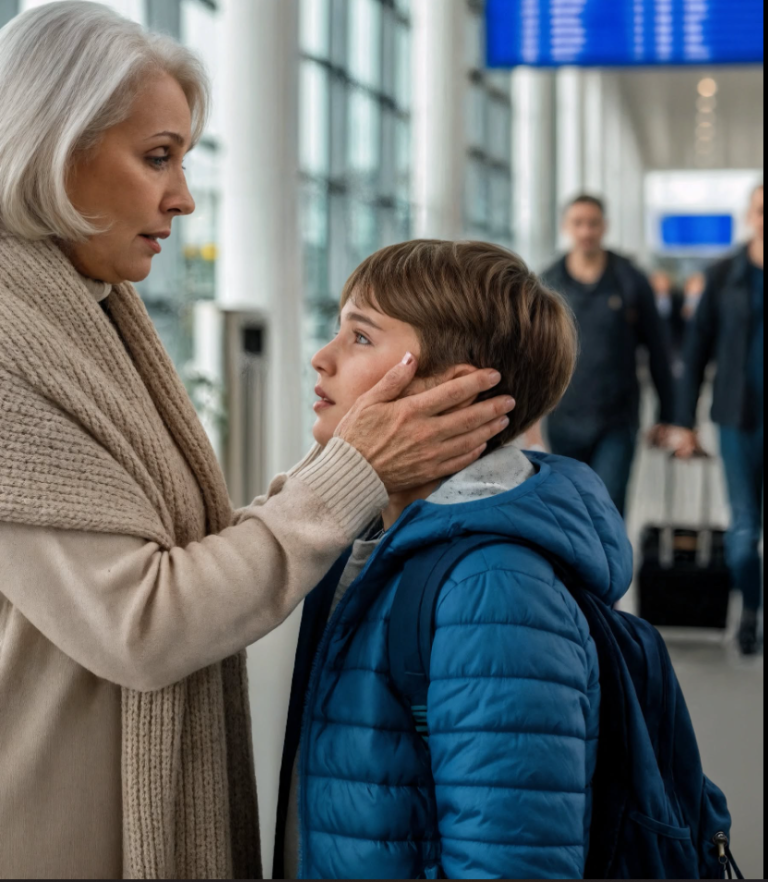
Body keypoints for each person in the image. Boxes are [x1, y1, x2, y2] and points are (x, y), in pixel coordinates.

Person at [0, 5, 515, 878]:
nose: (184, 195)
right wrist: (349, 476)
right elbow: (145, 621)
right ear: (55, 144)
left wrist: (344, 473)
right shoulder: (17, 346)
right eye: (157, 155)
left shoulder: (91, 317)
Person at [274, 241, 634, 880]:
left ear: (456, 385)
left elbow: (513, 864)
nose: (321, 358)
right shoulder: (370, 535)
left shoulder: (495, 587)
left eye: (360, 338)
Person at [672, 184, 765, 656]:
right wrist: (684, 422)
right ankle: (750, 610)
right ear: (750, 215)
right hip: (739, 418)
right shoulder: (725, 274)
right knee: (745, 526)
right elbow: (696, 350)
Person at [542, 195, 676, 517]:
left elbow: (658, 350)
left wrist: (668, 414)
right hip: (563, 418)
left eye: (593, 223)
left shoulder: (630, 280)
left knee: (608, 506)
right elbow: (533, 355)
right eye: (578, 223)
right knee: (567, 508)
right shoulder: (548, 282)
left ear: (605, 227)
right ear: (566, 227)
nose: (586, 231)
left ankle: (611, 569)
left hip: (616, 419)